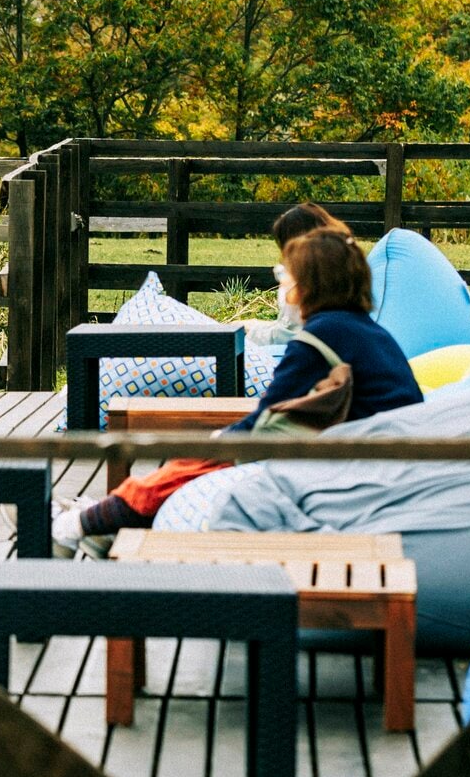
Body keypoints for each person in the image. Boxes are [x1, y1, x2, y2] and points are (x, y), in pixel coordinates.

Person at [54, 226, 424, 557]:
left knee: (191, 464)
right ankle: (105, 524)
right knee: (200, 459)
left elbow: (265, 415)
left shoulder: (318, 338)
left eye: (285, 277)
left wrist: (218, 440)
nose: (282, 288)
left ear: (308, 286)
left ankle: (78, 525)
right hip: (386, 456)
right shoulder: (365, 331)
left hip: (360, 466)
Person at [242, 202, 351, 347]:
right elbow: (290, 325)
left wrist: (248, 332)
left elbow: (290, 335)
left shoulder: (314, 282)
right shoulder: (341, 271)